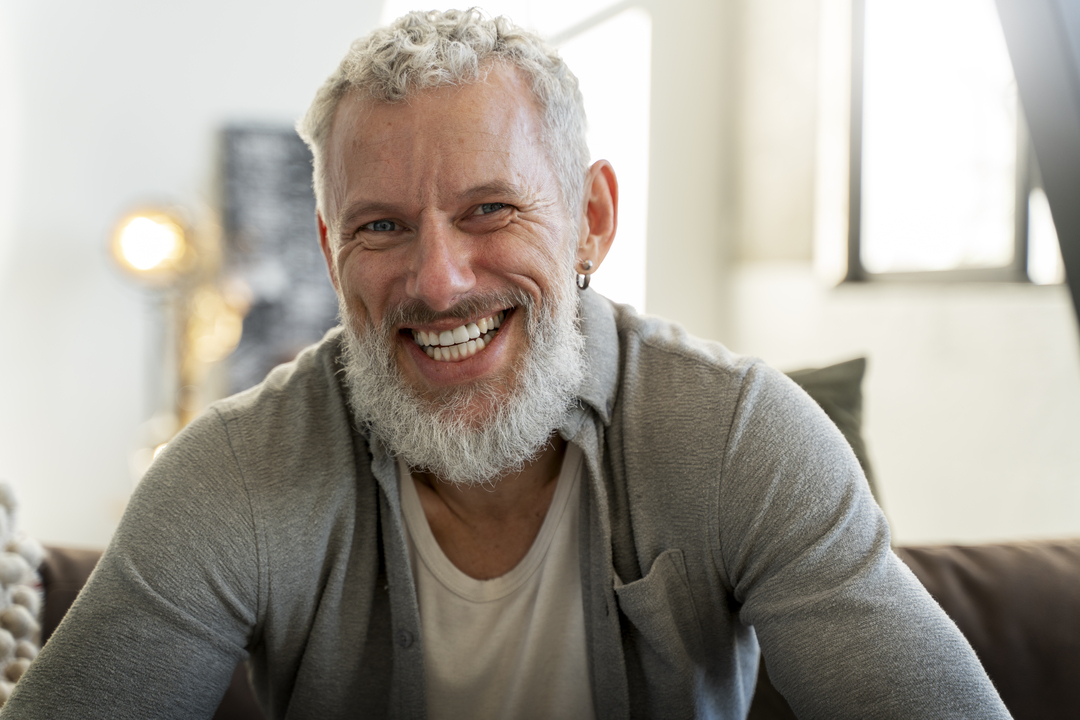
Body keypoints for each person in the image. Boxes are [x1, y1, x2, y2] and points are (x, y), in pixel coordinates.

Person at [4, 9, 1011, 720]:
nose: (437, 281)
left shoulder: (739, 435)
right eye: (383, 226)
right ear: (329, 252)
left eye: (490, 209)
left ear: (592, 220)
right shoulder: (232, 473)